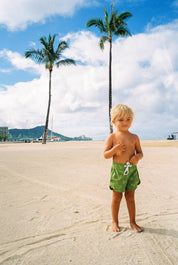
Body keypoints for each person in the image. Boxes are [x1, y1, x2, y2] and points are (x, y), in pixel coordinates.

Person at [104, 104, 143, 232]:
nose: (125, 122)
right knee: (117, 197)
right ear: (113, 121)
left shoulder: (134, 137)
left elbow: (140, 153)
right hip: (118, 170)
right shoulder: (113, 137)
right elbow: (105, 155)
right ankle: (115, 222)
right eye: (121, 120)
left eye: (128, 119)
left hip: (131, 170)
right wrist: (115, 149)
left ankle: (133, 222)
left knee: (130, 196)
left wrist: (137, 158)